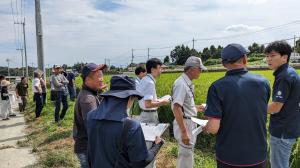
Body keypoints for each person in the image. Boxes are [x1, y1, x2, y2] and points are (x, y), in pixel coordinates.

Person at [203, 43, 270, 168]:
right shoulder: (263, 82)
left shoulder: (217, 87)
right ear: (245, 59)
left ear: (223, 64)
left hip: (229, 156)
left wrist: (205, 127)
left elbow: (213, 128)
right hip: (257, 154)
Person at [86, 75, 164, 168]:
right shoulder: (130, 126)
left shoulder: (91, 116)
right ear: (130, 98)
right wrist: (157, 146)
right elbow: (140, 162)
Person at [265, 41, 300, 168]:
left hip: (282, 131)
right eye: (267, 55)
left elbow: (276, 107)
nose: (268, 59)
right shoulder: (289, 72)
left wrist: (253, 109)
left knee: (278, 165)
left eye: (273, 55)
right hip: (289, 127)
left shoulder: (284, 76)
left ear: (285, 57)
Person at [171, 56, 206, 168]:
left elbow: (183, 106)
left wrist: (196, 108)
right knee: (185, 159)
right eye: (199, 69)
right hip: (185, 124)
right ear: (191, 69)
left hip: (188, 122)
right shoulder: (181, 84)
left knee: (187, 157)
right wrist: (184, 132)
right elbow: (176, 108)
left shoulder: (186, 83)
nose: (201, 71)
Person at [137, 58, 170, 168]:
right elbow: (148, 104)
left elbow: (147, 101)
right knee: (151, 144)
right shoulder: (150, 82)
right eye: (160, 68)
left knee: (146, 143)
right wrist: (163, 102)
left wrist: (158, 100)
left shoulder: (144, 80)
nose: (161, 70)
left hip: (144, 114)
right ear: (153, 69)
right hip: (149, 116)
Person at [73, 63, 106, 168]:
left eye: (102, 75)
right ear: (87, 80)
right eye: (98, 76)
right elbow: (94, 127)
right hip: (88, 148)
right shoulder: (88, 99)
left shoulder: (91, 93)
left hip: (87, 146)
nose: (102, 79)